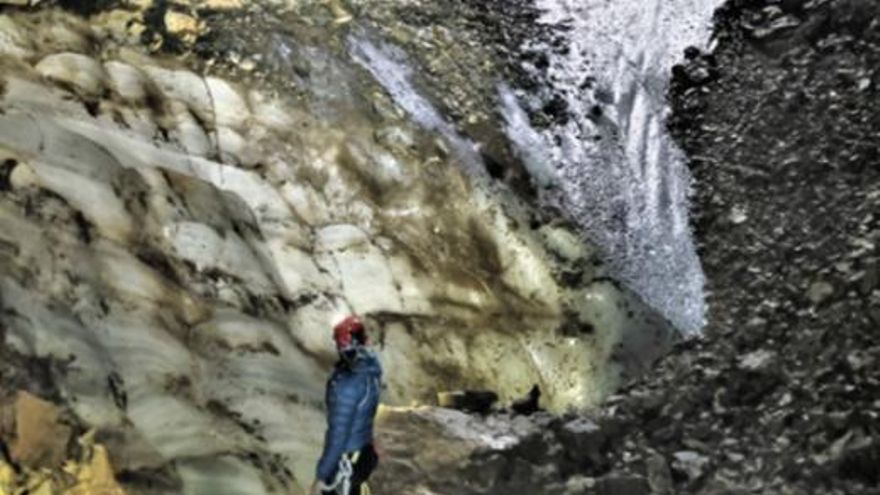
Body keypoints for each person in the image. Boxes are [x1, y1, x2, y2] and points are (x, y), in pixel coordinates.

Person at [310, 315, 382, 495]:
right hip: (363, 451)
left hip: (347, 459)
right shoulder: (370, 369)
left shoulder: (347, 386)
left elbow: (338, 436)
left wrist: (321, 476)